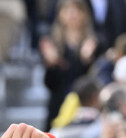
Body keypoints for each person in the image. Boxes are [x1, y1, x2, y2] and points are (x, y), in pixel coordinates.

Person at [40, 0, 98, 131]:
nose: (72, 15)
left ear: (84, 14)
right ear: (59, 15)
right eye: (67, 10)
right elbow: (49, 84)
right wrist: (51, 65)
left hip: (85, 107)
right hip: (58, 106)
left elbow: (91, 81)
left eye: (76, 10)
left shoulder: (94, 42)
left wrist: (85, 61)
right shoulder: (52, 43)